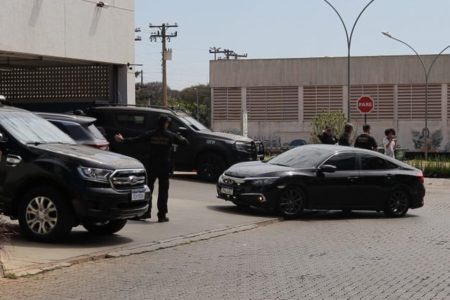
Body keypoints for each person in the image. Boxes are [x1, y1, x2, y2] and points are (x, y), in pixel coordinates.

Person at [115, 115, 188, 222]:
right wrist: (180, 136)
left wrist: (123, 140)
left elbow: (136, 140)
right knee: (163, 192)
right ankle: (162, 216)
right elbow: (185, 143)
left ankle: (146, 212)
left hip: (152, 165)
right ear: (166, 124)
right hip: (164, 166)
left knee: (148, 189)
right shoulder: (171, 135)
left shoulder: (151, 134)